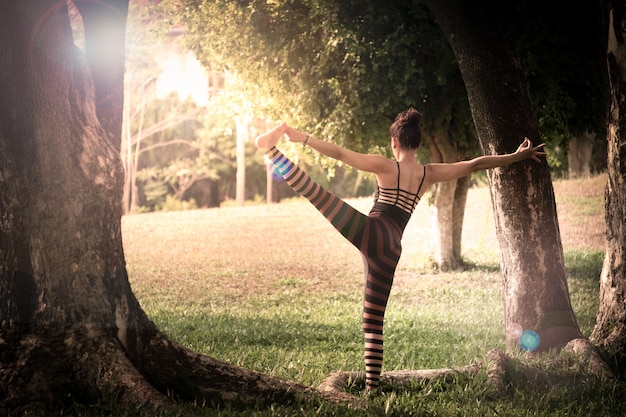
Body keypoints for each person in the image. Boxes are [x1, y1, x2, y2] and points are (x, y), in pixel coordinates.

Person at [255, 107, 545, 391]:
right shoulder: (427, 174)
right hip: (392, 248)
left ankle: (271, 151)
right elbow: (473, 164)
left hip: (373, 233)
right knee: (372, 322)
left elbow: (341, 154)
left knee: (317, 194)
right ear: (418, 144)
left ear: (394, 142)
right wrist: (517, 156)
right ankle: (372, 387)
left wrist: (302, 137)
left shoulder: (386, 166)